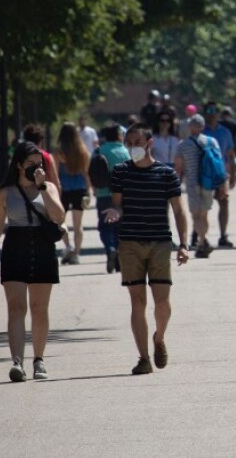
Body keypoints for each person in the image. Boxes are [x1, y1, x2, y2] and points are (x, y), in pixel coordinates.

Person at [102, 124, 191, 375]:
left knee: (162, 302)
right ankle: (143, 358)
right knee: (137, 301)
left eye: (136, 141)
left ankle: (159, 337)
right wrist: (113, 212)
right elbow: (118, 205)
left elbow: (178, 209)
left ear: (149, 143)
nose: (132, 147)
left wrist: (183, 244)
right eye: (128, 142)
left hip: (160, 242)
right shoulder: (120, 172)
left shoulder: (166, 173)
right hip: (129, 243)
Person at [0, 142, 65, 382]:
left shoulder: (48, 188)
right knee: (16, 307)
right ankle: (17, 361)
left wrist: (43, 187)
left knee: (39, 308)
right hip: (15, 245)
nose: (36, 168)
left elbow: (59, 216)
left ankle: (39, 360)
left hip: (42, 246)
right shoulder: (6, 192)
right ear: (18, 165)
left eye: (40, 164)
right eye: (30, 164)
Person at [174, 114, 219, 258]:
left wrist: (175, 184)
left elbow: (179, 168)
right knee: (204, 214)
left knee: (196, 216)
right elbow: (219, 163)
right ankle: (201, 244)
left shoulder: (183, 145)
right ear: (203, 126)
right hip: (208, 183)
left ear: (190, 127)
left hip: (193, 184)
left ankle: (204, 241)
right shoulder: (212, 142)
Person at [94, 125, 131, 274]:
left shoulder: (98, 151)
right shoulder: (126, 152)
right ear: (118, 136)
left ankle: (110, 248)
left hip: (103, 194)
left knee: (105, 226)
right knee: (121, 228)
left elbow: (92, 172)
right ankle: (119, 261)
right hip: (123, 195)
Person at [54, 122, 92, 265]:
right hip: (80, 188)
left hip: (63, 189)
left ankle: (68, 246)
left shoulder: (59, 151)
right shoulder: (83, 150)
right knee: (78, 225)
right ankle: (76, 253)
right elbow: (86, 173)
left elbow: (55, 172)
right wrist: (89, 190)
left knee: (61, 221)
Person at [202, 102, 236, 248]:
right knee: (203, 206)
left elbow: (230, 154)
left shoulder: (225, 132)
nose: (212, 113)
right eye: (208, 110)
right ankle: (199, 235)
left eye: (214, 110)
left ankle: (223, 235)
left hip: (220, 173)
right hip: (204, 173)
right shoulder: (201, 132)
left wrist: (233, 175)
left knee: (224, 202)